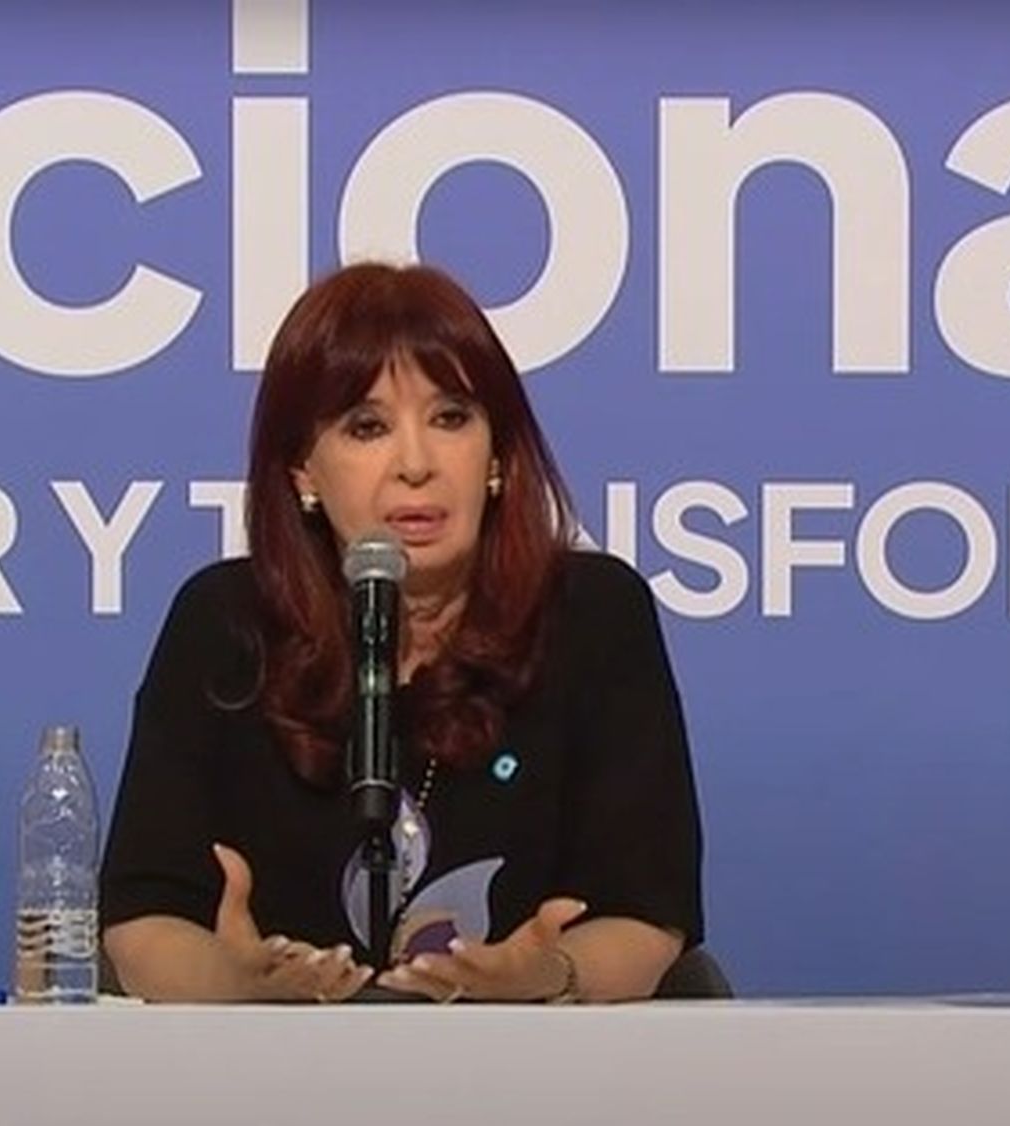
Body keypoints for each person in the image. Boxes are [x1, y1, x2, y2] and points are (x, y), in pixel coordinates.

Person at [100, 261, 703, 1003]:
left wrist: (548, 976)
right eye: (368, 427)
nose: (416, 465)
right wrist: (237, 984)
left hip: (539, 1063)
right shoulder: (226, 624)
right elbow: (142, 920)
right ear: (302, 471)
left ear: (496, 455)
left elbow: (646, 915)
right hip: (267, 1066)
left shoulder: (592, 615)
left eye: (451, 418)